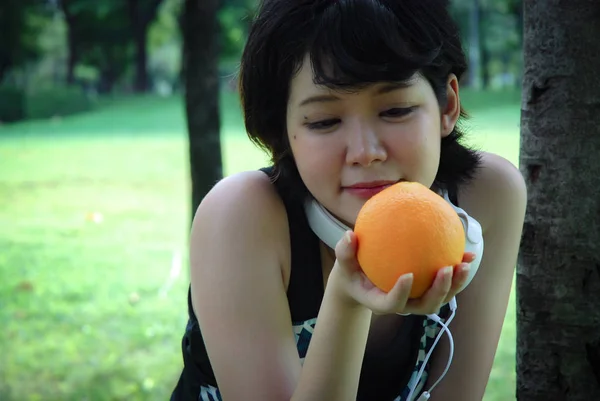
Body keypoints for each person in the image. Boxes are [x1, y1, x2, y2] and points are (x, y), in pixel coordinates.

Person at [170, 1, 527, 400]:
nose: (365, 151)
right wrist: (346, 301)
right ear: (281, 129)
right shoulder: (240, 218)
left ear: (446, 104)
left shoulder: (489, 195)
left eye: (395, 110)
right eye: (324, 121)